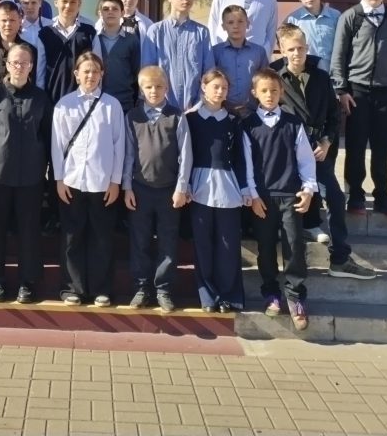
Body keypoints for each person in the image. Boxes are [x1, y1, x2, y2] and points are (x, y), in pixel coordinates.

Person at [273, 24, 377, 280]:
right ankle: (283, 269)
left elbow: (334, 114)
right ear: (282, 51)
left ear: (307, 48)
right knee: (289, 206)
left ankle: (340, 258)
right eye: (291, 49)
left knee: (335, 197)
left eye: (301, 48)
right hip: (285, 154)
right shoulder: (273, 77)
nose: (297, 54)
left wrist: (328, 141)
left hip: (316, 150)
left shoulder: (320, 77)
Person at [330, 0, 387, 218]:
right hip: (357, 92)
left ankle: (383, 196)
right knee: (356, 146)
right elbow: (338, 56)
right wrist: (341, 90)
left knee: (382, 147)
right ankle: (355, 196)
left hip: (386, 92)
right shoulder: (351, 17)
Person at [0, 43, 52, 305]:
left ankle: (26, 282)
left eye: (24, 63)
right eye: (14, 62)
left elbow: (48, 136)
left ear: (31, 67)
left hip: (31, 174)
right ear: (7, 65)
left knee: (29, 228)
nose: (19, 67)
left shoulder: (41, 98)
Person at [243, 68, 317, 332]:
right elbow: (246, 164)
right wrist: (252, 195)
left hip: (290, 196)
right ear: (254, 93)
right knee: (265, 247)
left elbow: (306, 160)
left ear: (282, 92)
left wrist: (308, 189)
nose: (269, 95)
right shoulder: (248, 125)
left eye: (274, 90)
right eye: (264, 90)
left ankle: (296, 297)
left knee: (294, 245)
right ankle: (271, 292)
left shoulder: (293, 123)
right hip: (262, 199)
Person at [51, 53, 125, 307]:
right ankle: (71, 288)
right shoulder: (64, 105)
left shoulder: (112, 106)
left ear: (102, 74)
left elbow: (119, 145)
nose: (90, 76)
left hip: (102, 182)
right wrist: (59, 179)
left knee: (101, 238)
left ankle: (101, 289)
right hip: (71, 181)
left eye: (95, 71)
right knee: (72, 238)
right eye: (86, 71)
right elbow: (57, 144)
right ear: (76, 75)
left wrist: (115, 181)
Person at [122, 66, 192, 313]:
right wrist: (127, 187)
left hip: (169, 191)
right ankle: (141, 288)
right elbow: (128, 154)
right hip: (140, 189)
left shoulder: (177, 116)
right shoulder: (133, 116)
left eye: (159, 86)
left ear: (167, 88)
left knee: (167, 241)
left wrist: (181, 188)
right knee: (139, 240)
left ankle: (164, 289)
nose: (154, 91)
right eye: (148, 87)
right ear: (141, 90)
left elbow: (185, 154)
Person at [186, 69, 252, 312]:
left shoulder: (234, 120)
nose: (220, 91)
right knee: (203, 244)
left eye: (224, 88)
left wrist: (245, 188)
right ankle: (207, 296)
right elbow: (185, 156)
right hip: (199, 187)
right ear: (203, 87)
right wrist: (186, 185)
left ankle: (229, 296)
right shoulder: (191, 119)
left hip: (228, 187)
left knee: (228, 244)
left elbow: (241, 157)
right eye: (215, 86)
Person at [141, 0, 215, 111]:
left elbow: (209, 73)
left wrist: (198, 104)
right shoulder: (155, 31)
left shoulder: (202, 32)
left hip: (195, 108)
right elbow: (148, 73)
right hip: (162, 108)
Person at [39, 0, 99, 106]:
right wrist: (40, 99)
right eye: (64, 1)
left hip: (83, 100)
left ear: (79, 4)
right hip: (52, 100)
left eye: (73, 2)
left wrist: (95, 97)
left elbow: (97, 66)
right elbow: (40, 70)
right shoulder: (45, 33)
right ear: (56, 2)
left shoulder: (89, 32)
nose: (68, 6)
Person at [211, 5, 269, 112]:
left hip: (253, 110)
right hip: (223, 110)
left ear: (247, 24)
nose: (236, 26)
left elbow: (266, 81)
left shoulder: (259, 52)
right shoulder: (215, 52)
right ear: (223, 26)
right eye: (230, 22)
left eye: (240, 21)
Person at [94, 0, 141, 113]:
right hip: (97, 102)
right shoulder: (93, 39)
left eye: (115, 9)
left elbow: (137, 72)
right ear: (100, 13)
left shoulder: (132, 40)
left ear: (122, 13)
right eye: (106, 9)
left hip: (124, 103)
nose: (110, 12)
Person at [284, 0, 341, 72]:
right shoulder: (293, 20)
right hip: (307, 73)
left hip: (333, 72)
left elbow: (342, 45)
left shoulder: (336, 16)